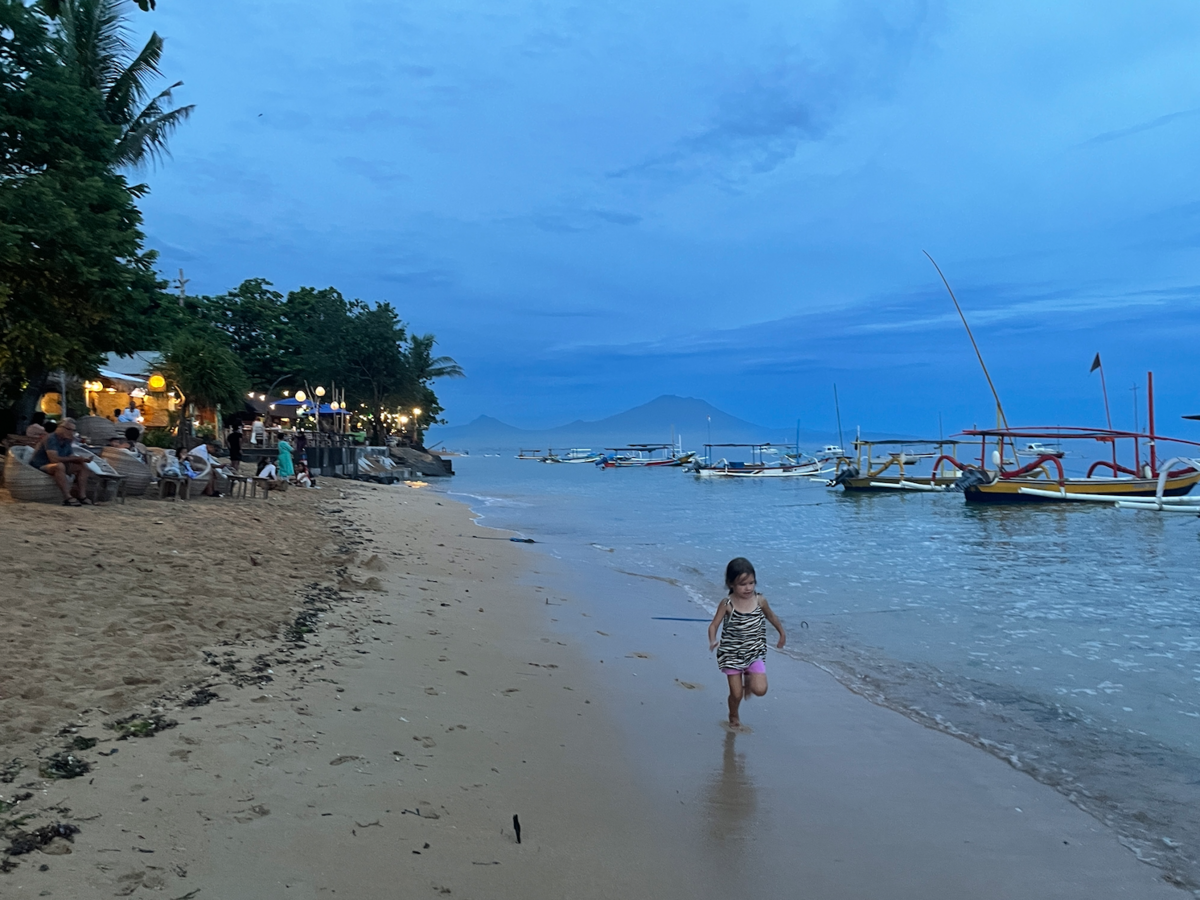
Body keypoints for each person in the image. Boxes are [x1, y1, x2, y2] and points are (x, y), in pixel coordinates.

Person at [707, 557, 786, 729]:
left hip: (754, 652)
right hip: (731, 654)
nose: (748, 588)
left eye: (751, 583)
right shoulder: (727, 604)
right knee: (736, 694)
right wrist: (713, 640)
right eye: (743, 584)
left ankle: (750, 677)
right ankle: (733, 715)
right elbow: (714, 625)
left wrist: (781, 633)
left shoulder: (760, 601)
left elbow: (771, 616)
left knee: (760, 690)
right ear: (731, 584)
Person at [29, 418, 94, 506]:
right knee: (59, 466)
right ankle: (67, 497)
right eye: (69, 429)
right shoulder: (51, 438)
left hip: (55, 464)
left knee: (83, 466)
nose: (71, 432)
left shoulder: (67, 440)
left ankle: (82, 496)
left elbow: (70, 456)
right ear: (60, 427)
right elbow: (54, 459)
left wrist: (81, 459)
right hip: (41, 464)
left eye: (73, 430)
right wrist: (75, 459)